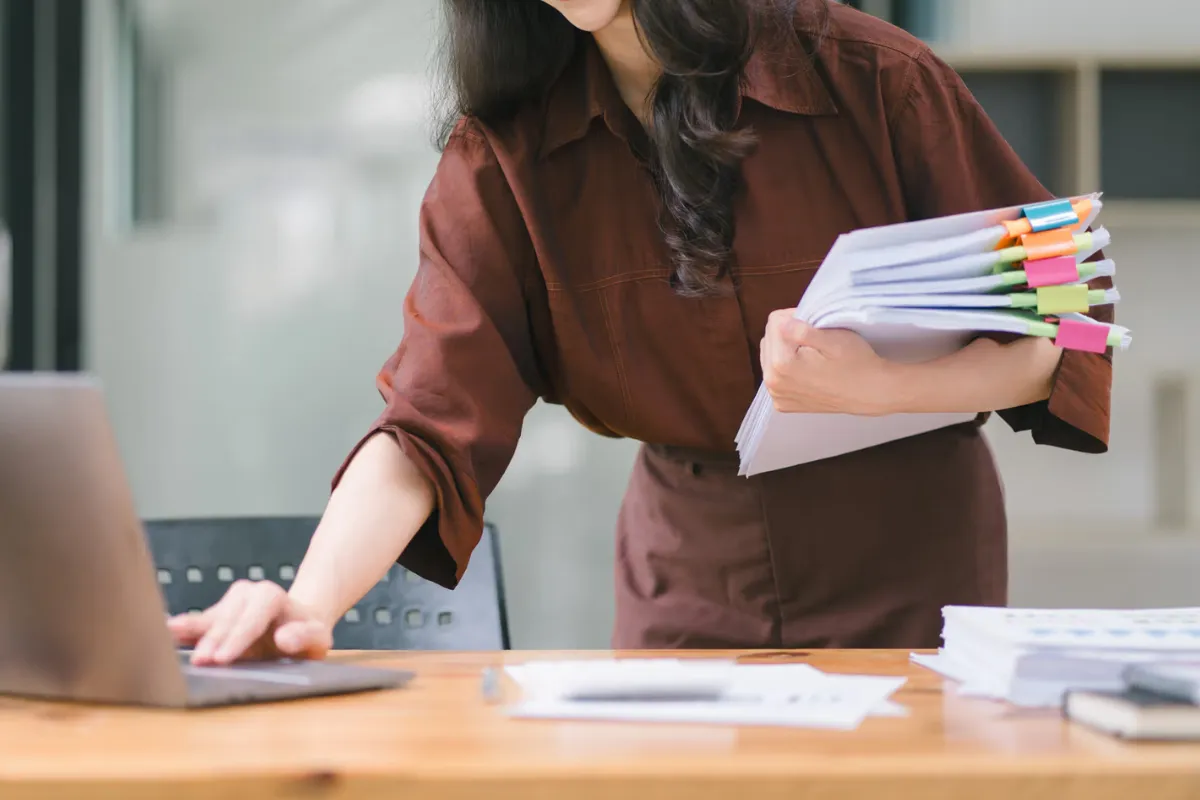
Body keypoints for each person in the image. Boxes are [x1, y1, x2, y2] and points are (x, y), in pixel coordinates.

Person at [171, 0, 1113, 664]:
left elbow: (1072, 328)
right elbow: (427, 426)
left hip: (913, 566)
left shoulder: (878, 79)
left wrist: (883, 390)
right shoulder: (503, 153)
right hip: (688, 579)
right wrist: (308, 602)